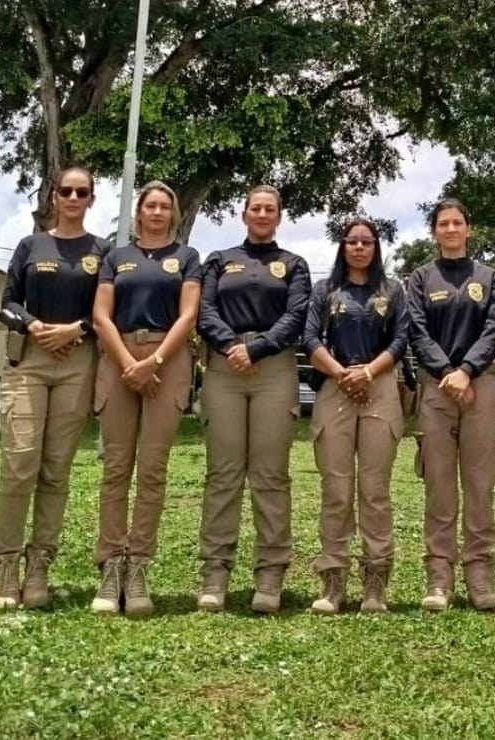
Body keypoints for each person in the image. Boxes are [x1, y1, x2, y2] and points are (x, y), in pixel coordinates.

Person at [0, 166, 110, 610]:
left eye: (83, 192)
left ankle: (39, 566)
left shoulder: (103, 251)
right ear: (54, 197)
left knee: (56, 470)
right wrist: (36, 326)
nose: (74, 197)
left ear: (91, 199)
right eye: (66, 191)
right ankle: (5, 566)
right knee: (20, 464)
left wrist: (75, 329)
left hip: (78, 360)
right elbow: (7, 304)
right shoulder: (30, 246)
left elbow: (105, 311)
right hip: (30, 361)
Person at [197, 185, 311, 613]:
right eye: (255, 208)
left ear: (279, 216)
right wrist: (231, 346)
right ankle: (215, 572)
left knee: (270, 475)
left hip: (274, 370)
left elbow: (297, 315)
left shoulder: (294, 265)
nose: (262, 214)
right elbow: (204, 310)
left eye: (270, 209)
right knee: (223, 474)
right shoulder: (219, 260)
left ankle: (270, 573)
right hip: (225, 370)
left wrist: (258, 348)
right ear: (243, 213)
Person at [90, 180, 201, 618]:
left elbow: (189, 314)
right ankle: (111, 564)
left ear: (173, 214)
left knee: (152, 469)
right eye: (149, 205)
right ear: (138, 213)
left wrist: (153, 361)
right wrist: (127, 363)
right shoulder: (116, 258)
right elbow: (101, 314)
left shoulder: (187, 258)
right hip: (118, 357)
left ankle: (138, 568)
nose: (156, 212)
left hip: (167, 359)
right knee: (117, 468)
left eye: (164, 206)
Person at [301, 218, 410, 614]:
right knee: (336, 489)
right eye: (352, 241)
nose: (359, 247)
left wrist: (368, 372)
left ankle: (376, 584)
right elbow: (309, 337)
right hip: (335, 383)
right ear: (343, 246)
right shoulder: (325, 290)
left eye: (367, 241)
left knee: (375, 489)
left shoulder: (391, 290)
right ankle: (333, 582)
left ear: (376, 247)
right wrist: (341, 372)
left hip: (379, 385)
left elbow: (401, 338)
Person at [407, 198, 495, 611]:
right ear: (434, 232)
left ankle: (480, 578)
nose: (450, 229)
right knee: (440, 486)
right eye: (442, 223)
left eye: (457, 222)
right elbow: (416, 329)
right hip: (436, 389)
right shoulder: (420, 277)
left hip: (480, 386)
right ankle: (439, 579)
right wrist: (448, 372)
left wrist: (467, 370)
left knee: (480, 487)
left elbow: (494, 327)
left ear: (469, 228)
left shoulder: (490, 277)